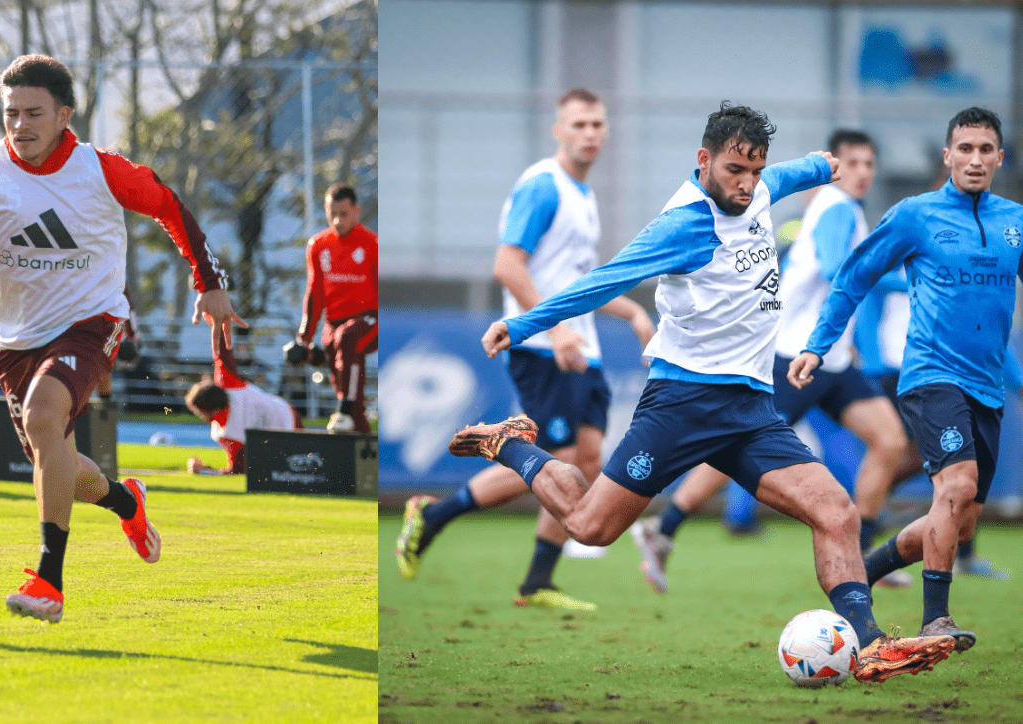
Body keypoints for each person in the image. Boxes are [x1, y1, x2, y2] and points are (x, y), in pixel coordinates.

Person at [456, 101, 955, 683]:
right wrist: (522, 324)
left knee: (836, 513)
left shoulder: (759, 187)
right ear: (704, 160)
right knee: (590, 527)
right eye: (734, 171)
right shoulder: (684, 224)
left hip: (751, 408)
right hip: (682, 404)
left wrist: (821, 166)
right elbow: (603, 280)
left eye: (754, 171)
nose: (746, 184)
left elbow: (786, 175)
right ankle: (511, 446)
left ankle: (869, 644)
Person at [0, 54, 245, 624]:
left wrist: (209, 283)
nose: (20, 125)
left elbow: (170, 207)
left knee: (43, 416)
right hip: (14, 338)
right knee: (56, 457)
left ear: (64, 114)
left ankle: (49, 581)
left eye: (33, 113)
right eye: (11, 113)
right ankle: (125, 500)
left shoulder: (101, 169)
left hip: (93, 321)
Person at [394, 89, 655, 610]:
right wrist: (554, 329)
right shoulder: (543, 186)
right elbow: (507, 266)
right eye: (578, 124)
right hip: (542, 347)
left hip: (582, 350)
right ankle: (433, 515)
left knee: (585, 459)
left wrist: (633, 313)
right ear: (558, 130)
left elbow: (580, 283)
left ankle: (537, 581)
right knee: (557, 462)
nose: (589, 133)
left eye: (597, 124)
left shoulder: (584, 197)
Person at [630, 129, 913, 593]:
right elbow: (835, 269)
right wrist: (909, 280)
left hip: (830, 359)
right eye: (852, 163)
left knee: (890, 440)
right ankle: (664, 526)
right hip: (793, 355)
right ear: (835, 167)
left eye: (869, 163)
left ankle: (863, 554)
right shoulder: (838, 207)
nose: (862, 172)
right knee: (735, 445)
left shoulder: (846, 209)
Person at [789, 107, 1023, 652]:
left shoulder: (1014, 221)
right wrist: (818, 345)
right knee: (955, 486)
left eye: (985, 150)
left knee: (959, 521)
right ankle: (936, 619)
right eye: (964, 149)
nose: (974, 159)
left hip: (986, 386)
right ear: (947, 156)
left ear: (999, 159)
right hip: (931, 376)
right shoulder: (915, 215)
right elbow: (853, 276)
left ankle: (866, 571)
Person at [853, 189, 1016, 582]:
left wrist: (1016, 380)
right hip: (906, 371)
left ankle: (874, 528)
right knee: (936, 462)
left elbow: (988, 328)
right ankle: (865, 531)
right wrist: (872, 362)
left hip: (951, 372)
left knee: (936, 463)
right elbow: (865, 300)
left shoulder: (964, 263)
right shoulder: (899, 257)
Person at [296, 183, 377, 434]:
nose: (337, 220)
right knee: (340, 364)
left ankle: (343, 409)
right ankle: (359, 436)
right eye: (332, 214)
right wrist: (304, 338)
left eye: (344, 214)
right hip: (334, 322)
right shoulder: (318, 244)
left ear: (357, 211)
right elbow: (314, 293)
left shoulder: (372, 244)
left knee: (348, 338)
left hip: (370, 318)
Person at [185, 333, 302, 475]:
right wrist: (218, 323)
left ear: (212, 410)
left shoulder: (229, 433)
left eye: (199, 412)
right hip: (286, 411)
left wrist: (202, 470)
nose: (199, 415)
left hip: (282, 439)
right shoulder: (228, 384)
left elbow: (237, 471)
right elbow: (222, 353)